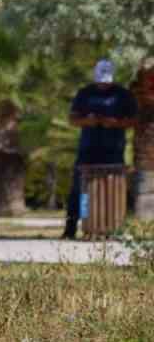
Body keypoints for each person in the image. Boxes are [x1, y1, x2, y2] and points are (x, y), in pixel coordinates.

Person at [62, 59, 136, 239]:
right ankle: (76, 226)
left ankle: (115, 227)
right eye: (100, 81)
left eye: (106, 81)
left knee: (114, 189)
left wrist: (115, 123)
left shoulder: (123, 95)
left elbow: (134, 120)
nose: (103, 84)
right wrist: (88, 121)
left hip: (114, 150)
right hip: (87, 150)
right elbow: (72, 119)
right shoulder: (84, 93)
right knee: (82, 190)